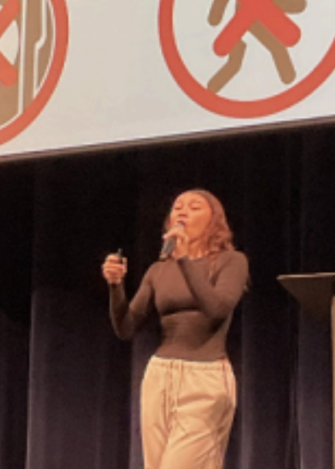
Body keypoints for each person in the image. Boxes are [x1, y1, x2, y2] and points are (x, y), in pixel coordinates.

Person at [101, 189, 250, 469]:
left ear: (214, 221)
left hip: (205, 378)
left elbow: (217, 309)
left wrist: (184, 259)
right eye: (178, 207)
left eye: (194, 207)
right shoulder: (158, 271)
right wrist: (116, 286)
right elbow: (126, 327)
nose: (182, 211)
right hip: (160, 376)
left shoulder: (232, 262)